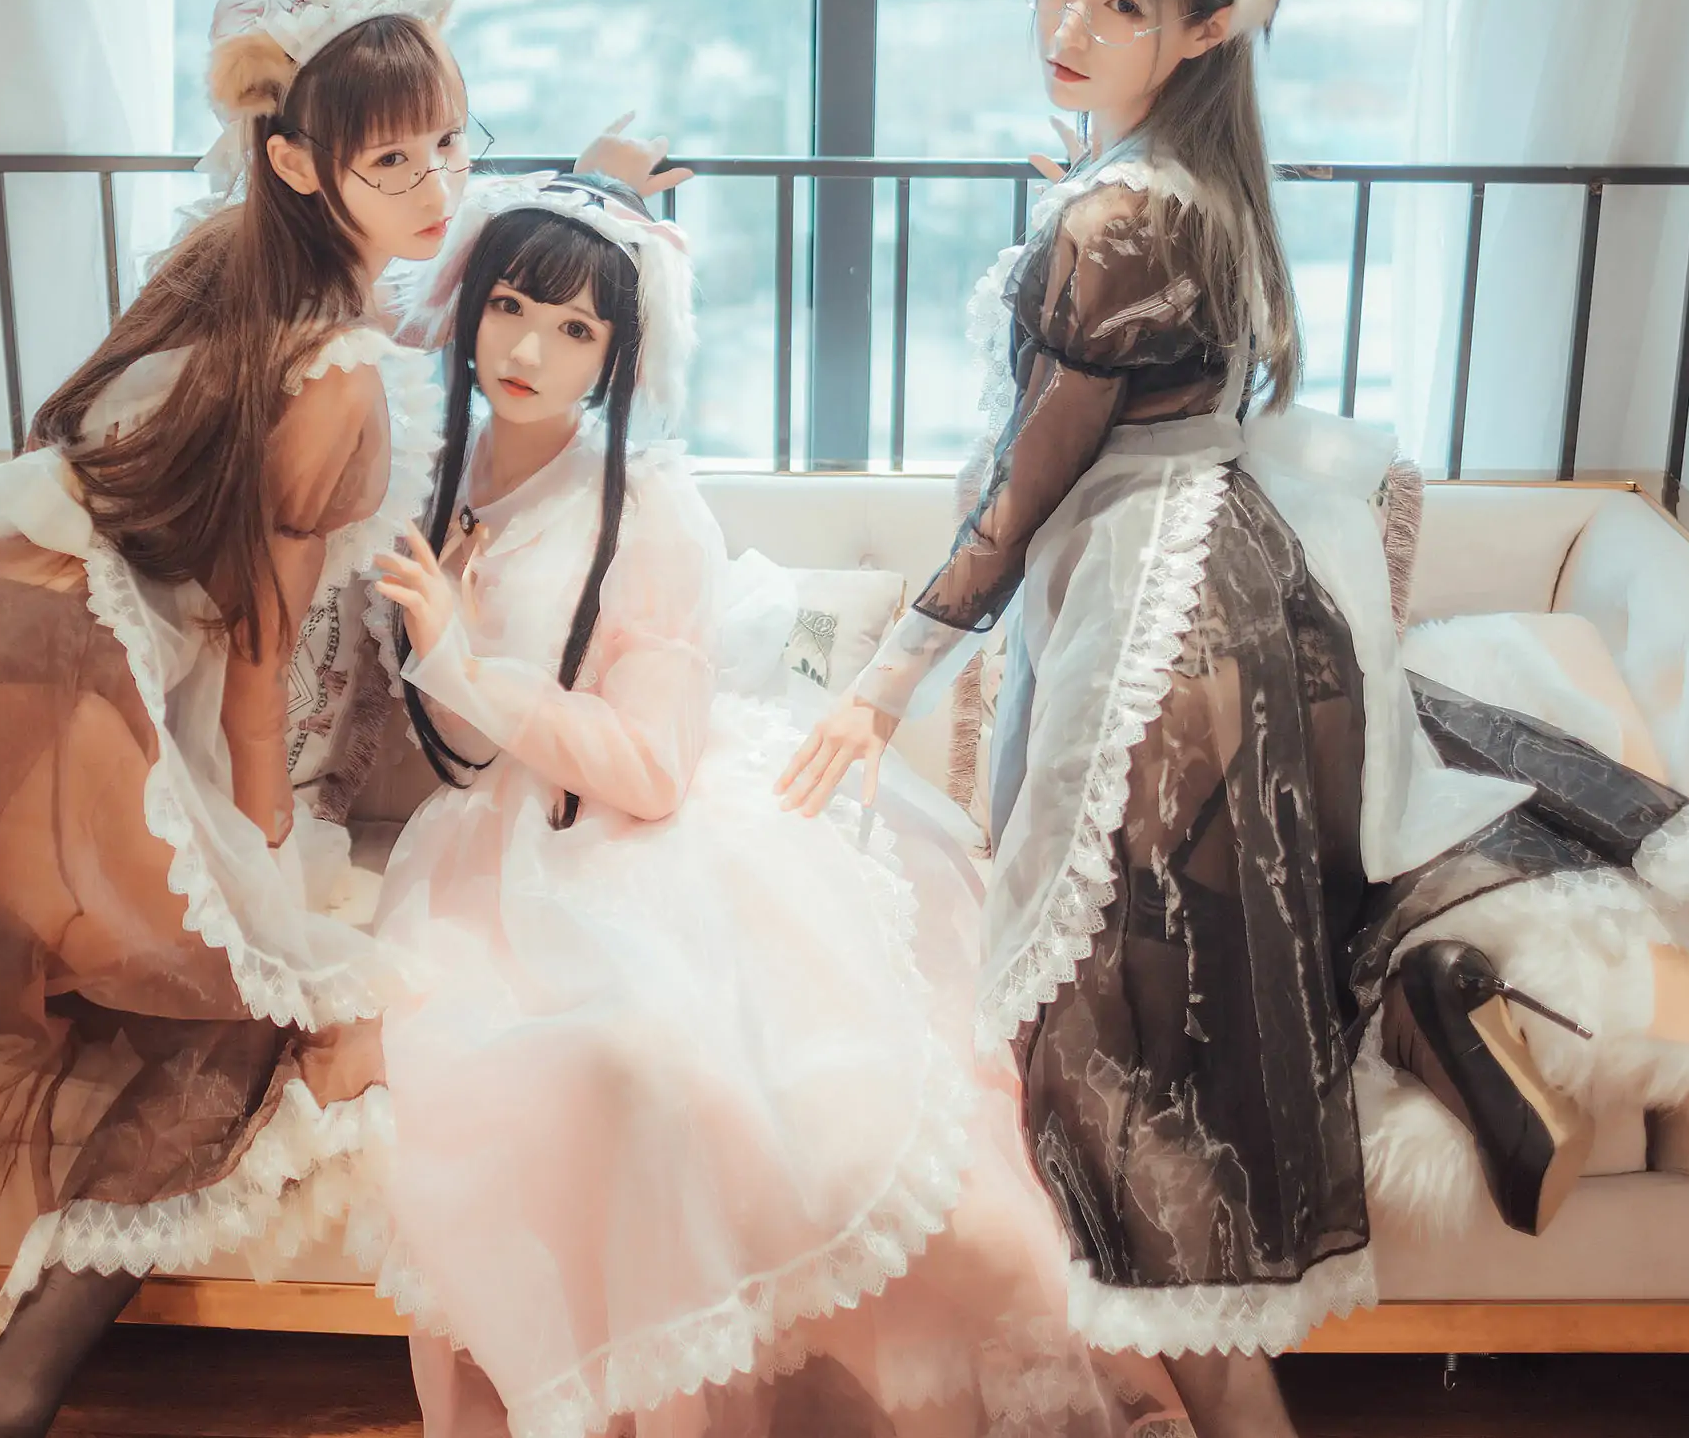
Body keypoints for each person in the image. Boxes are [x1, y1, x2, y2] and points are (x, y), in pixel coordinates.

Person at [0, 0, 683, 1438]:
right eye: (395, 162)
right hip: (61, 701)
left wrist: (596, 184)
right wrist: (270, 872)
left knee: (104, 957)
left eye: (452, 142)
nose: (440, 187)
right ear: (298, 164)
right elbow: (254, 674)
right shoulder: (335, 382)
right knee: (249, 1016)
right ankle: (6, 1396)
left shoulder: (236, 259)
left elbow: (447, 319)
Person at [779, 0, 1689, 1438]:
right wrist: (1203, 13)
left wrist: (881, 687)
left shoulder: (1118, 222)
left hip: (1160, 630)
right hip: (1233, 597)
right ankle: (1431, 1011)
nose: (1067, 23)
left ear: (1193, 33)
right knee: (1204, 999)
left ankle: (1228, 1399)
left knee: (1110, 1061)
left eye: (1118, 4)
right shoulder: (1192, 180)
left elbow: (1019, 498)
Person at [364, 173, 1188, 1438]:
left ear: (618, 356)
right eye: (512, 306)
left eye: (577, 329)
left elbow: (650, 770)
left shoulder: (644, 507)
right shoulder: (425, 467)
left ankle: (1098, 1394)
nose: (529, 351)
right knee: (511, 1078)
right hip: (486, 846)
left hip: (634, 832)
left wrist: (464, 663)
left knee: (724, 1083)